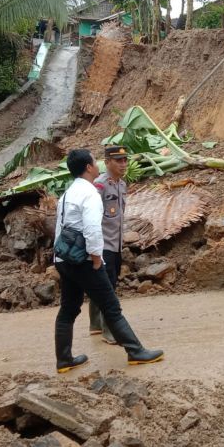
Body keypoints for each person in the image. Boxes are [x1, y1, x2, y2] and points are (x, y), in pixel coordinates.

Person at [54, 148, 163, 373]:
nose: (98, 165)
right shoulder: (91, 193)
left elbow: (60, 229)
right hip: (84, 260)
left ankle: (64, 360)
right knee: (111, 307)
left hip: (64, 259)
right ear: (88, 167)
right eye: (95, 162)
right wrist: (96, 259)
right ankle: (135, 351)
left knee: (68, 309)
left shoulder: (67, 195)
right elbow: (93, 228)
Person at [89, 145, 129, 345]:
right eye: (118, 161)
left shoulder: (121, 185)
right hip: (103, 245)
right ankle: (108, 330)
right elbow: (92, 218)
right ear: (107, 162)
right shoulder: (99, 186)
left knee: (102, 285)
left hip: (116, 243)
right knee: (108, 288)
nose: (123, 164)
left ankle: (95, 324)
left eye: (125, 160)